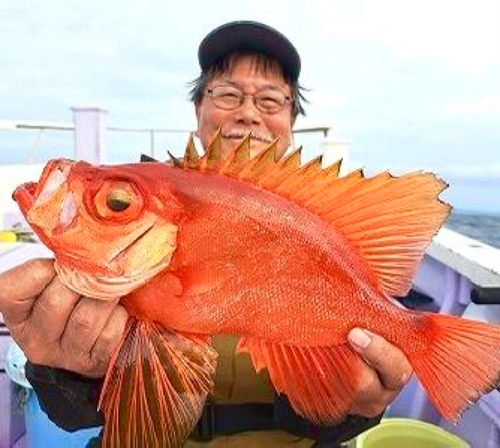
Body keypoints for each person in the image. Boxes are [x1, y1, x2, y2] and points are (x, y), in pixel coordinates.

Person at [0, 21, 412, 446]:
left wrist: (360, 405)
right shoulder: (148, 196)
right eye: (227, 94)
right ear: (199, 110)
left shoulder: (326, 226)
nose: (248, 113)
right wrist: (61, 372)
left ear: (291, 120)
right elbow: (75, 414)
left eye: (270, 100)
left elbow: (335, 407)